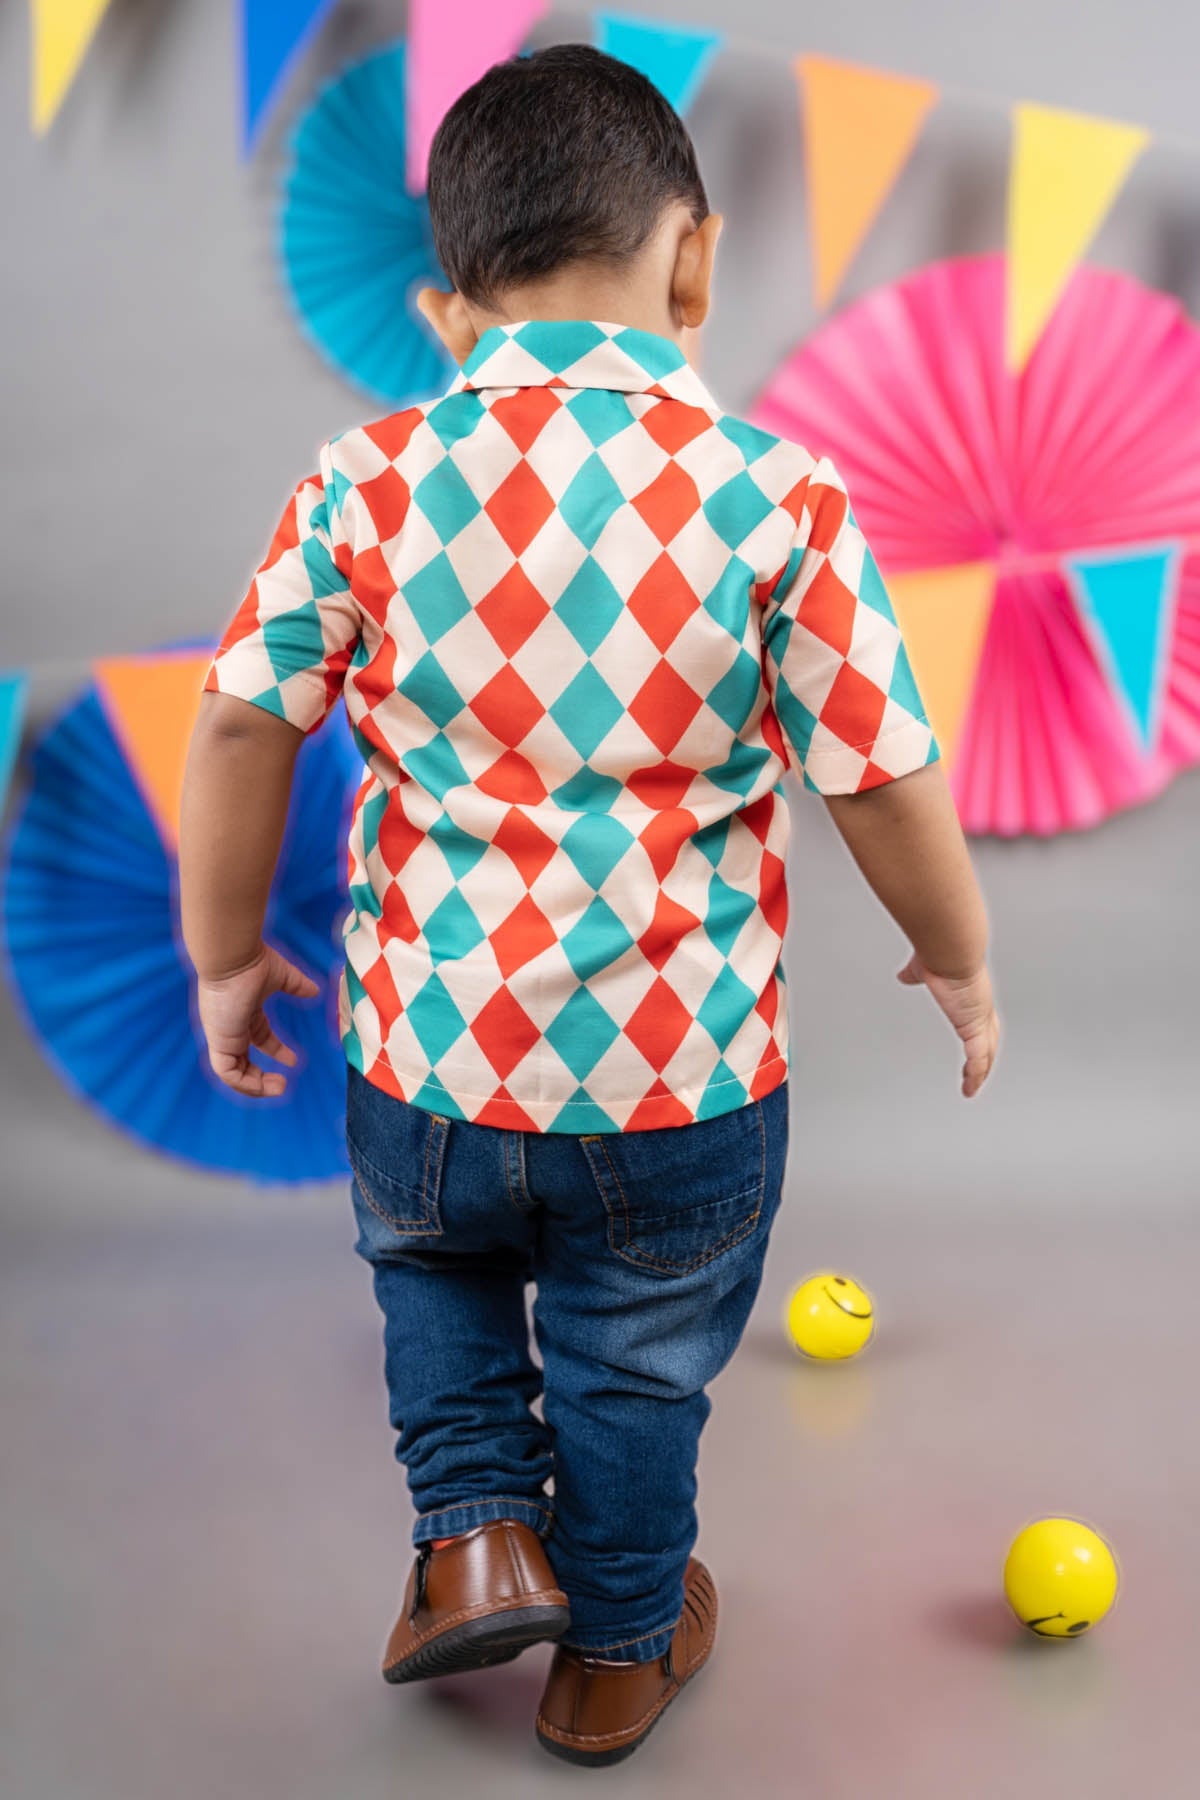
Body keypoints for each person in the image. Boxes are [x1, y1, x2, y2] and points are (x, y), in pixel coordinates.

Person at [179, 43, 998, 1768]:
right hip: (675, 1083)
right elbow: (880, 775)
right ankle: (617, 1648)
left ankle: (474, 1535)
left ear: (450, 294)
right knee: (635, 1361)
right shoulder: (780, 499)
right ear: (694, 258)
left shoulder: (361, 482)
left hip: (428, 1061)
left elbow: (244, 718)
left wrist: (225, 953)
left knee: (439, 1284)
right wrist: (958, 955)